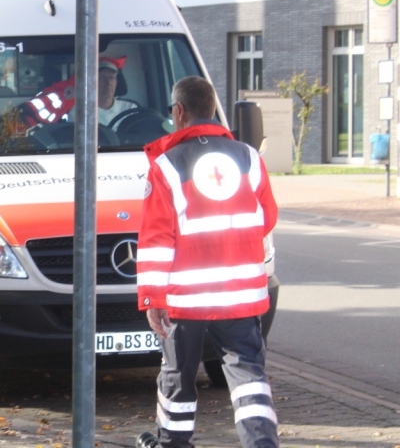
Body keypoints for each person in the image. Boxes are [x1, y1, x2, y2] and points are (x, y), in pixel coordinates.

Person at [135, 76, 279, 448]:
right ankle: (262, 443)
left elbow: (156, 241)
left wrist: (153, 299)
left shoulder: (167, 165)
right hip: (240, 295)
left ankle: (173, 443)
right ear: (213, 109)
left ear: (179, 111)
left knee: (178, 377)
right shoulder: (249, 157)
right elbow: (266, 217)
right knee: (248, 375)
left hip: (186, 299)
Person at [19, 56, 136, 127]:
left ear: (116, 82)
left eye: (111, 78)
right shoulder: (79, 111)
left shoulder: (130, 108)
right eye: (102, 78)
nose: (108, 83)